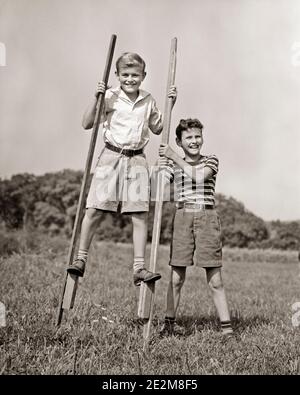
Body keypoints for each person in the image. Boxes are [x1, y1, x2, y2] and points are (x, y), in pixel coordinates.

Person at [67, 52, 177, 287]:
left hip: (137, 159)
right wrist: (96, 97)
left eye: (135, 75)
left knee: (139, 214)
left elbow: (158, 128)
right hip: (111, 156)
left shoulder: (148, 100)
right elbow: (87, 123)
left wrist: (171, 104)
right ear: (117, 75)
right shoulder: (110, 96)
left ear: (143, 76)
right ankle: (80, 259)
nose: (130, 79)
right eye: (125, 75)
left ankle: (139, 268)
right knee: (95, 209)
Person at [158, 118, 233, 336]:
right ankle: (169, 325)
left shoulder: (211, 160)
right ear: (179, 142)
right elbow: (159, 189)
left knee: (215, 278)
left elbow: (200, 177)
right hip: (182, 217)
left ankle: (227, 329)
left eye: (197, 136)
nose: (194, 141)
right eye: (188, 138)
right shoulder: (173, 164)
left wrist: (172, 156)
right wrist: (161, 168)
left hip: (207, 217)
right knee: (176, 277)